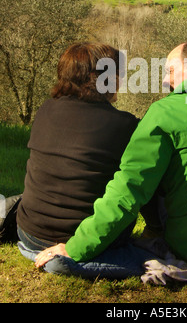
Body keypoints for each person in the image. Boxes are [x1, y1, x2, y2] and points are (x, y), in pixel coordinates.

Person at [35, 40, 187, 280]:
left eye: (170, 70)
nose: (165, 80)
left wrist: (75, 249)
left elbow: (128, 190)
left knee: (154, 179)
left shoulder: (163, 113)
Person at [17, 42, 145, 265]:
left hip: (30, 235)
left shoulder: (46, 109)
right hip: (80, 240)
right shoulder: (124, 125)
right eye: (120, 74)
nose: (122, 81)